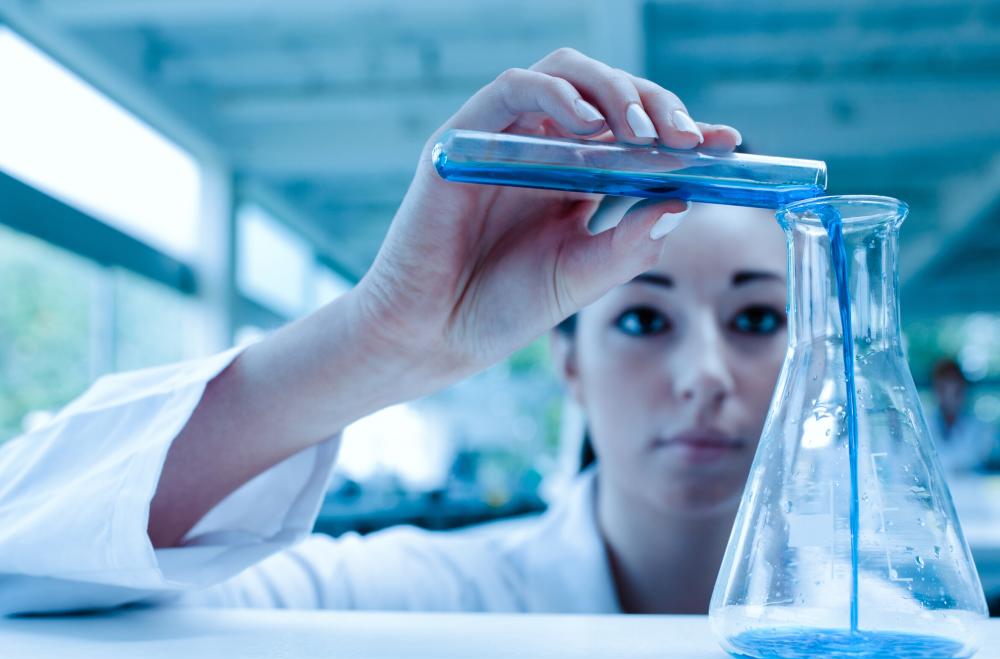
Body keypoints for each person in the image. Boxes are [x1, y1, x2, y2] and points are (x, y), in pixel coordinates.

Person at [0, 48, 785, 616]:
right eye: (644, 318)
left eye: (757, 319)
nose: (705, 376)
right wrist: (383, 336)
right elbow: (23, 566)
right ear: (569, 361)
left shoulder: (898, 623)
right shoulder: (427, 601)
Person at [927, 359, 994, 475]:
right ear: (936, 390)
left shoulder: (981, 428)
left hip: (970, 490)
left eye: (956, 389)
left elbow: (982, 462)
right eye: (943, 388)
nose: (949, 394)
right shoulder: (923, 425)